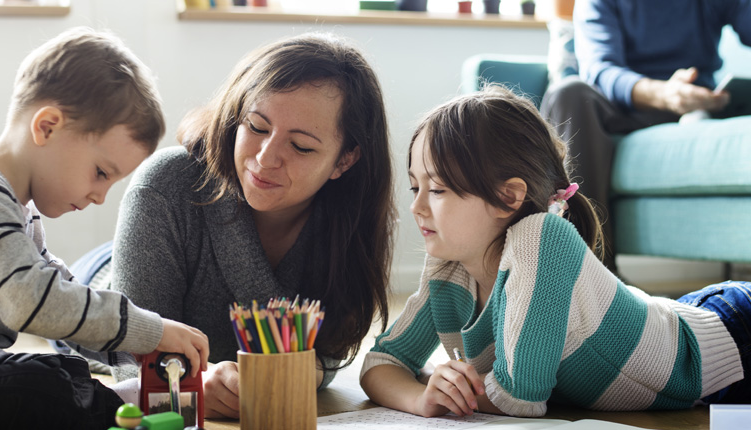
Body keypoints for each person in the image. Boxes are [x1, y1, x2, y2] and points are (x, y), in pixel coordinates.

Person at [0, 27, 209, 430]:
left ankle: (118, 406)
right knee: (38, 390)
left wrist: (133, 354)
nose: (100, 196)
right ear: (47, 126)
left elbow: (65, 295)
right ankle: (118, 414)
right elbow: (35, 302)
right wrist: (147, 331)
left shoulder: (16, 212)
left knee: (58, 368)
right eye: (100, 173)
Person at [360, 86, 749, 418]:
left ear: (507, 196)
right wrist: (422, 397)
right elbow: (382, 364)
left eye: (439, 189)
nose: (417, 207)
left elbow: (517, 398)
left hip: (730, 338)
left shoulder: (540, 239)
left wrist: (442, 386)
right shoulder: (448, 265)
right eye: (415, 187)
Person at [107, 32, 396, 418]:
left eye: (301, 147)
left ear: (345, 160)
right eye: (257, 127)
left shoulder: (354, 220)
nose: (265, 157)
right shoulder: (164, 185)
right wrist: (194, 383)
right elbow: (128, 354)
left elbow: (329, 353)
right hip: (103, 283)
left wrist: (294, 372)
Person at [539, 0, 751, 271]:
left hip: (693, 107)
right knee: (568, 93)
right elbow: (600, 70)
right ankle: (589, 270)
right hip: (621, 107)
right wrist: (664, 93)